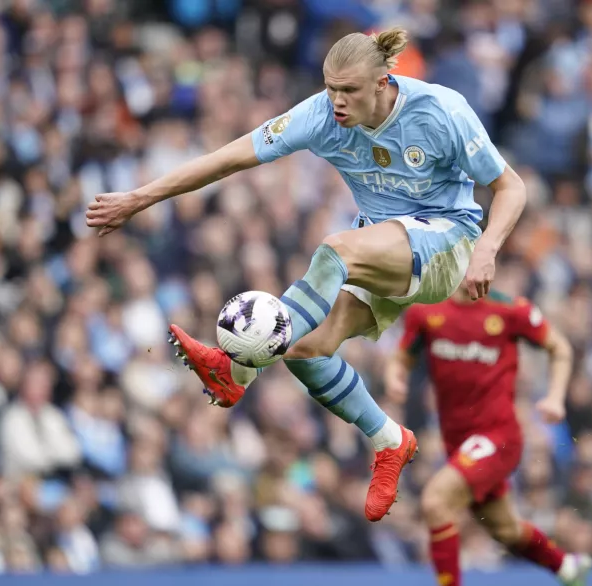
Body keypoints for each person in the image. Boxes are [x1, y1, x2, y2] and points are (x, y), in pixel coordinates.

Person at [85, 28, 528, 523]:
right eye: (330, 87)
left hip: (449, 240)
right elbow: (227, 158)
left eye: (350, 91)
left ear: (384, 81)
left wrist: (488, 249)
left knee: (335, 249)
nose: (337, 101)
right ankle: (389, 440)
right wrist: (138, 198)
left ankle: (235, 373)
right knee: (302, 349)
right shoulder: (319, 115)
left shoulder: (441, 110)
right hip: (381, 245)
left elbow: (509, 186)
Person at [385, 285, 592, 586]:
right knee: (505, 530)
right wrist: (395, 376)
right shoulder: (426, 312)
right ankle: (567, 568)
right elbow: (402, 355)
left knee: (435, 501)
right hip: (458, 444)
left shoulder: (510, 310)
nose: (484, 269)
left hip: (499, 437)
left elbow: (560, 347)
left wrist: (556, 396)